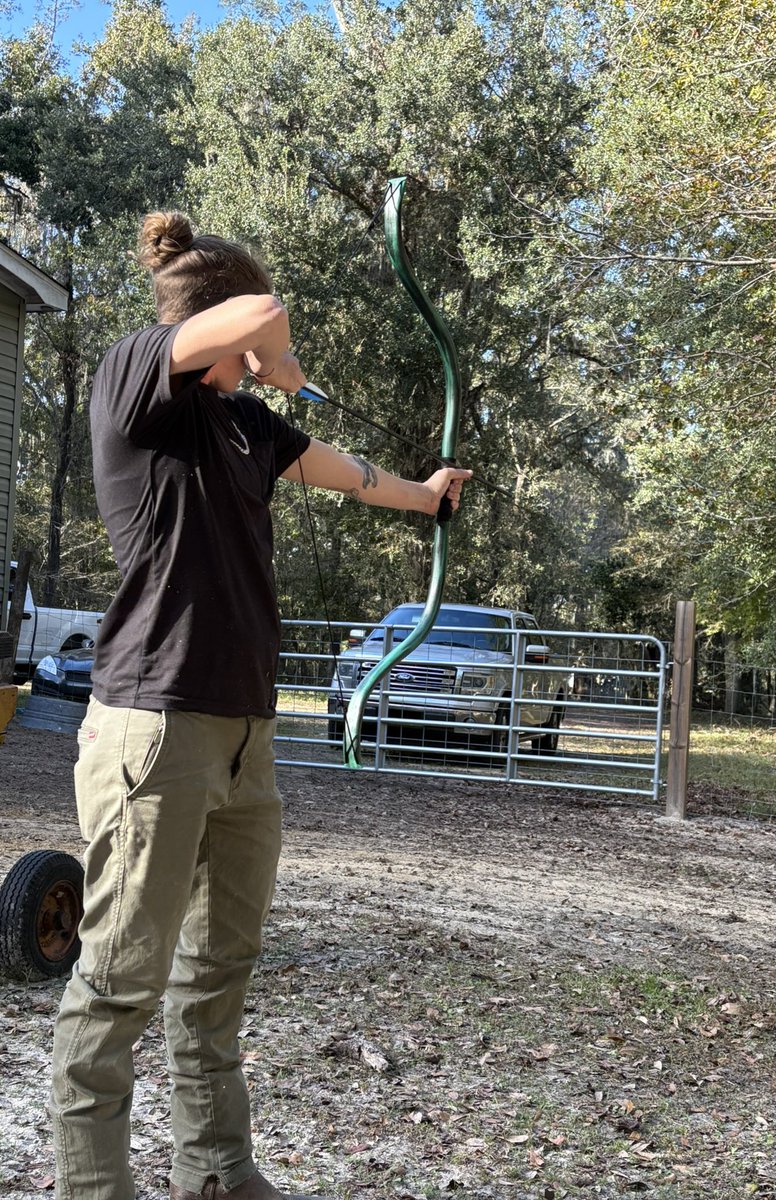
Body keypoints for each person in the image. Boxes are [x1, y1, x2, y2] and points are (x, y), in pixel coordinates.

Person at [49, 211, 471, 1200]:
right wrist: (269, 352)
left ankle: (218, 1174)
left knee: (216, 974)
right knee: (119, 983)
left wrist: (425, 495)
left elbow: (347, 475)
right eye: (249, 346)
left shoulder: (245, 425)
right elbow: (265, 311)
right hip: (155, 728)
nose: (272, 361)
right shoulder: (136, 378)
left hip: (243, 734)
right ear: (223, 328)